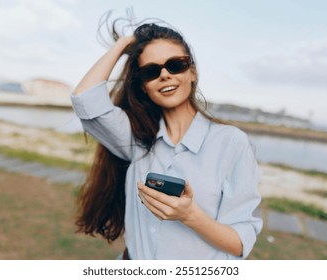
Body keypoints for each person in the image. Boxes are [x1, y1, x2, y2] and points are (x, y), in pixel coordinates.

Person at [71, 19, 262, 260]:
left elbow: (239, 243)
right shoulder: (136, 139)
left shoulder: (231, 142)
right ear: (143, 86)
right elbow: (85, 99)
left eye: (175, 65)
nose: (164, 75)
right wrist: (126, 43)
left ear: (192, 73)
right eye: (151, 71)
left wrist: (190, 215)